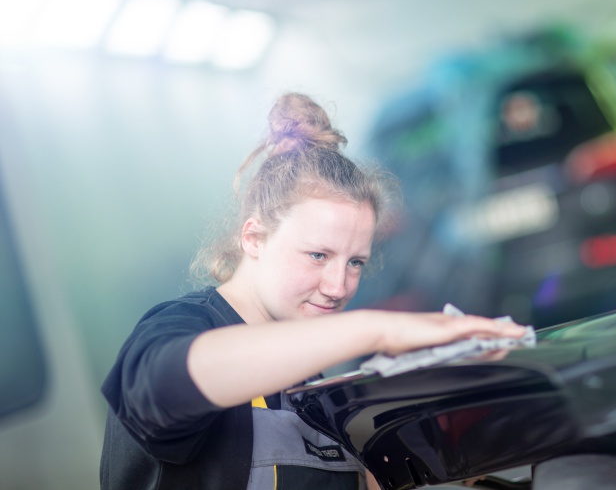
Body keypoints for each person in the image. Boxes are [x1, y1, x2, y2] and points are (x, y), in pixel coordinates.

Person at [99, 92, 526, 490]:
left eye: (355, 262)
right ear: (254, 238)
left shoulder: (310, 386)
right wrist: (374, 331)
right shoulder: (181, 326)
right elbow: (160, 387)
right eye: (318, 256)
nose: (339, 287)